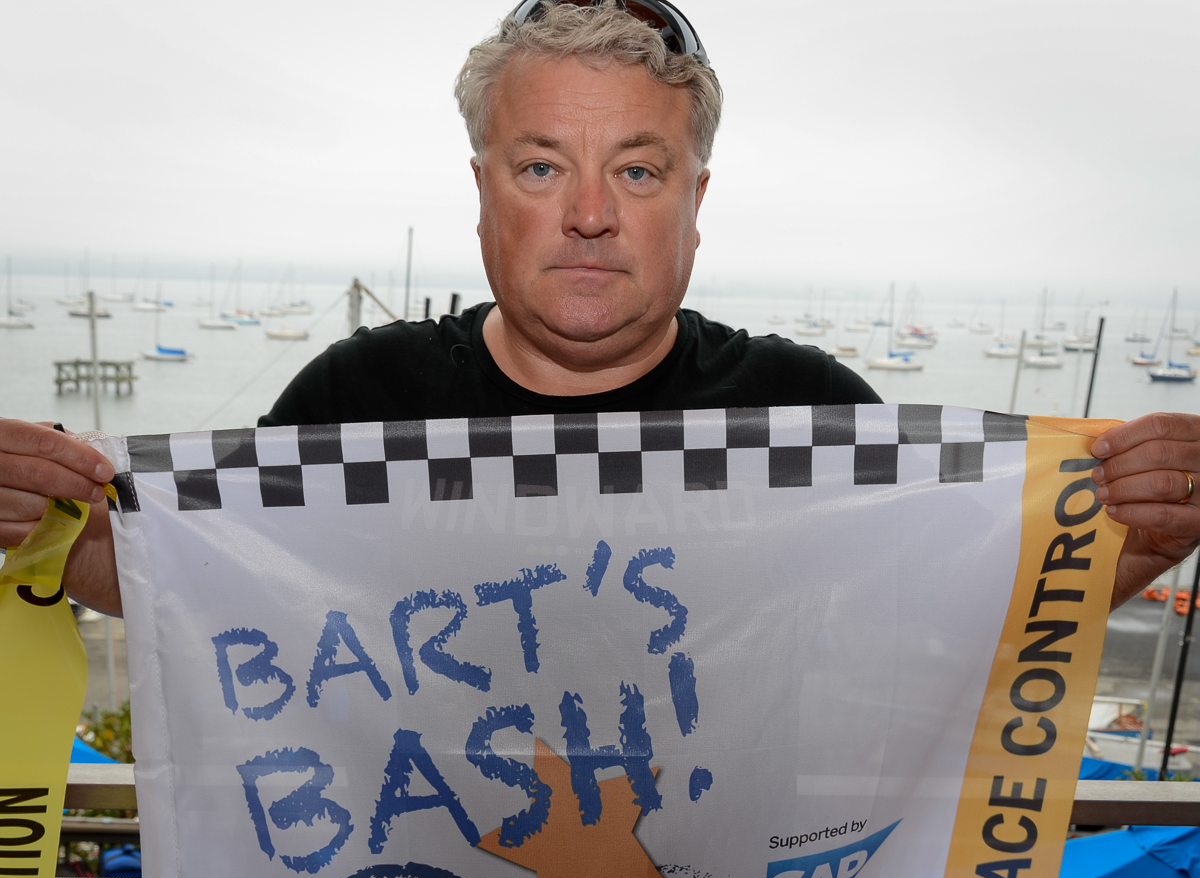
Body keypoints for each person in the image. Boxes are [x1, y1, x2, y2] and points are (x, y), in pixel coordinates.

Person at [0, 0, 1197, 619]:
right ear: (483, 196)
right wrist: (42, 522)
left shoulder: (811, 414)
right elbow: (197, 593)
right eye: (541, 167)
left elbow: (956, 616)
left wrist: (1135, 541)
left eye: (636, 168)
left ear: (694, 201)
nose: (587, 214)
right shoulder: (358, 401)